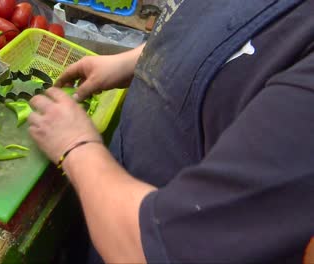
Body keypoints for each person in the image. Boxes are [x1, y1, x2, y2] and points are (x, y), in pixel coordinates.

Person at [28, 0, 314, 263]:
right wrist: (139, 60)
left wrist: (76, 146)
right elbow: (225, 31)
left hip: (129, 234)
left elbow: (159, 249)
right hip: (110, 196)